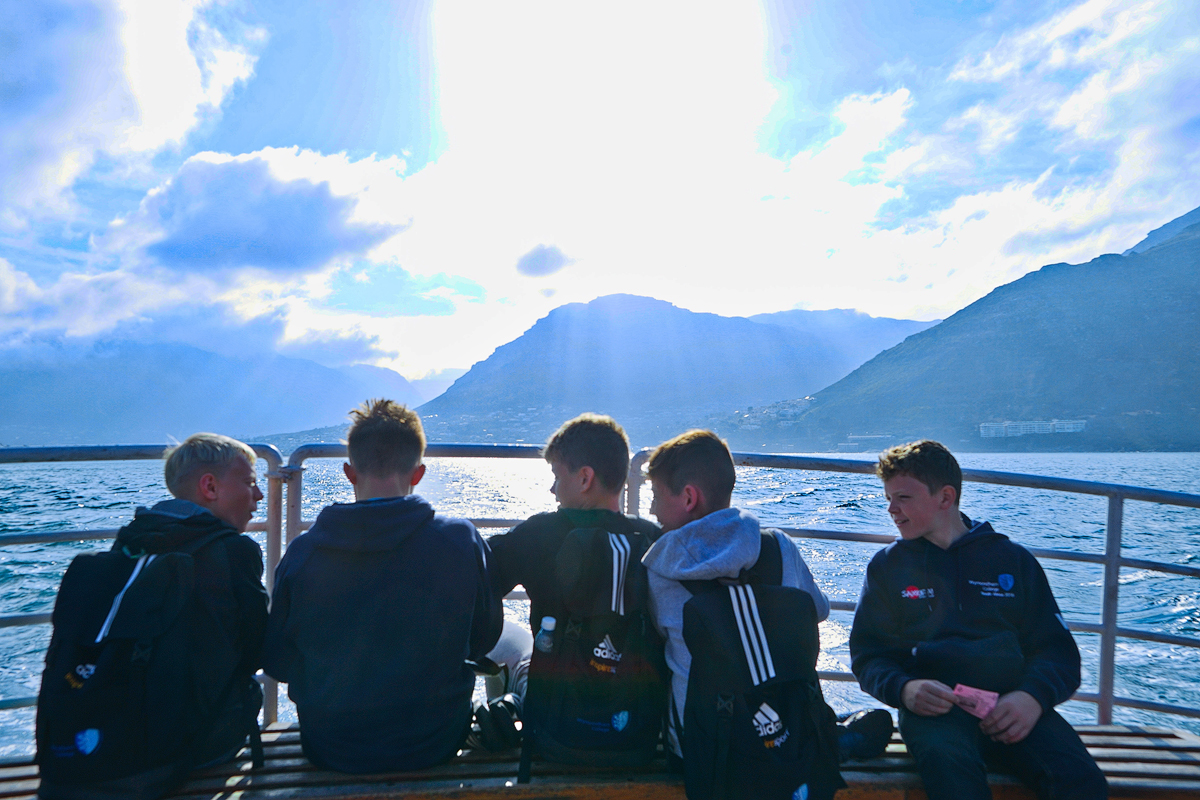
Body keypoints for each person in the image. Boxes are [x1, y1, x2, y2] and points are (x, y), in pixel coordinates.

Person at [849, 439, 1108, 800]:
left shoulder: (1012, 560)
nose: (891, 508)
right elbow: (868, 655)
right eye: (888, 498)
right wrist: (905, 689)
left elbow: (1057, 653)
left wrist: (1031, 698)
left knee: (1080, 780)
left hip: (1012, 706)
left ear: (946, 497)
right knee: (953, 778)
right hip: (935, 713)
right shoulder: (887, 567)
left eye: (903, 498)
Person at [262, 399, 502, 773]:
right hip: (435, 742)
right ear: (418, 474)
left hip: (330, 747)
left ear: (349, 473)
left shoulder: (304, 553)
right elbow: (485, 637)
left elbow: (278, 662)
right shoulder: (460, 540)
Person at [36, 433, 269, 800]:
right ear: (210, 487)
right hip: (198, 751)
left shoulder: (130, 542)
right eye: (249, 482)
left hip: (96, 748)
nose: (258, 495)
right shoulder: (235, 552)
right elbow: (258, 651)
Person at [641, 429, 893, 767]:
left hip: (699, 750)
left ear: (689, 497)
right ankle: (834, 737)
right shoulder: (780, 547)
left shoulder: (659, 569)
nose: (652, 509)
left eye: (656, 495)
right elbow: (818, 610)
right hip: (782, 735)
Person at [487, 413, 664, 768]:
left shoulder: (539, 534)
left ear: (585, 478)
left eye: (556, 476)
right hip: (637, 739)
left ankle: (510, 706)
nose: (552, 490)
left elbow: (479, 582)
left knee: (511, 645)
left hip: (556, 736)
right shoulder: (654, 541)